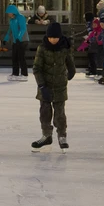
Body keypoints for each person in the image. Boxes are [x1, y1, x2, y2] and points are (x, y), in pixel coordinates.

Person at [30, 22, 75, 151]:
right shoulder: (42, 49)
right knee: (45, 112)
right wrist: (42, 86)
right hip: (45, 86)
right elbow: (36, 68)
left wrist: (71, 72)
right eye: (50, 37)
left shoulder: (64, 48)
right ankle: (46, 135)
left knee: (60, 113)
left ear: (59, 37)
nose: (53, 40)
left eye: (55, 37)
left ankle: (62, 136)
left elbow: (70, 62)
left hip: (60, 86)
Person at [3, 4, 29, 81]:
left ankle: (24, 74)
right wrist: (6, 39)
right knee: (14, 57)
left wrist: (19, 37)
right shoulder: (12, 20)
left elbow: (23, 28)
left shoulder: (20, 17)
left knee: (21, 57)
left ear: (13, 12)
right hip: (15, 41)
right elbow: (9, 31)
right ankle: (15, 73)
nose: (8, 14)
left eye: (9, 13)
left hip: (23, 41)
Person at [80, 13, 102, 77]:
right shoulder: (92, 22)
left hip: (94, 42)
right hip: (94, 41)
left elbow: (91, 32)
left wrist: (89, 39)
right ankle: (92, 69)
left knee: (92, 55)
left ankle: (93, 70)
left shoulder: (90, 24)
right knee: (92, 55)